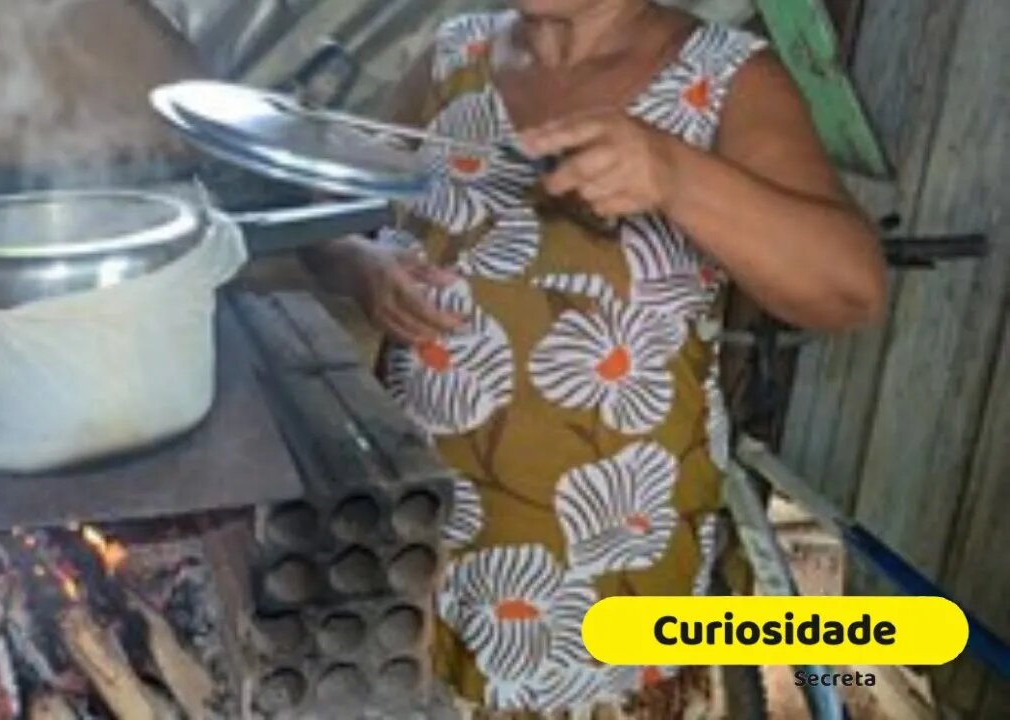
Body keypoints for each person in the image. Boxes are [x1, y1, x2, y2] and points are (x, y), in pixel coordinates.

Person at [303, 0, 886, 716]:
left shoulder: (727, 79)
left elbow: (851, 289)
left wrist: (676, 176)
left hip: (609, 578)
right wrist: (361, 266)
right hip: (426, 540)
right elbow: (332, 220)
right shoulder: (452, 59)